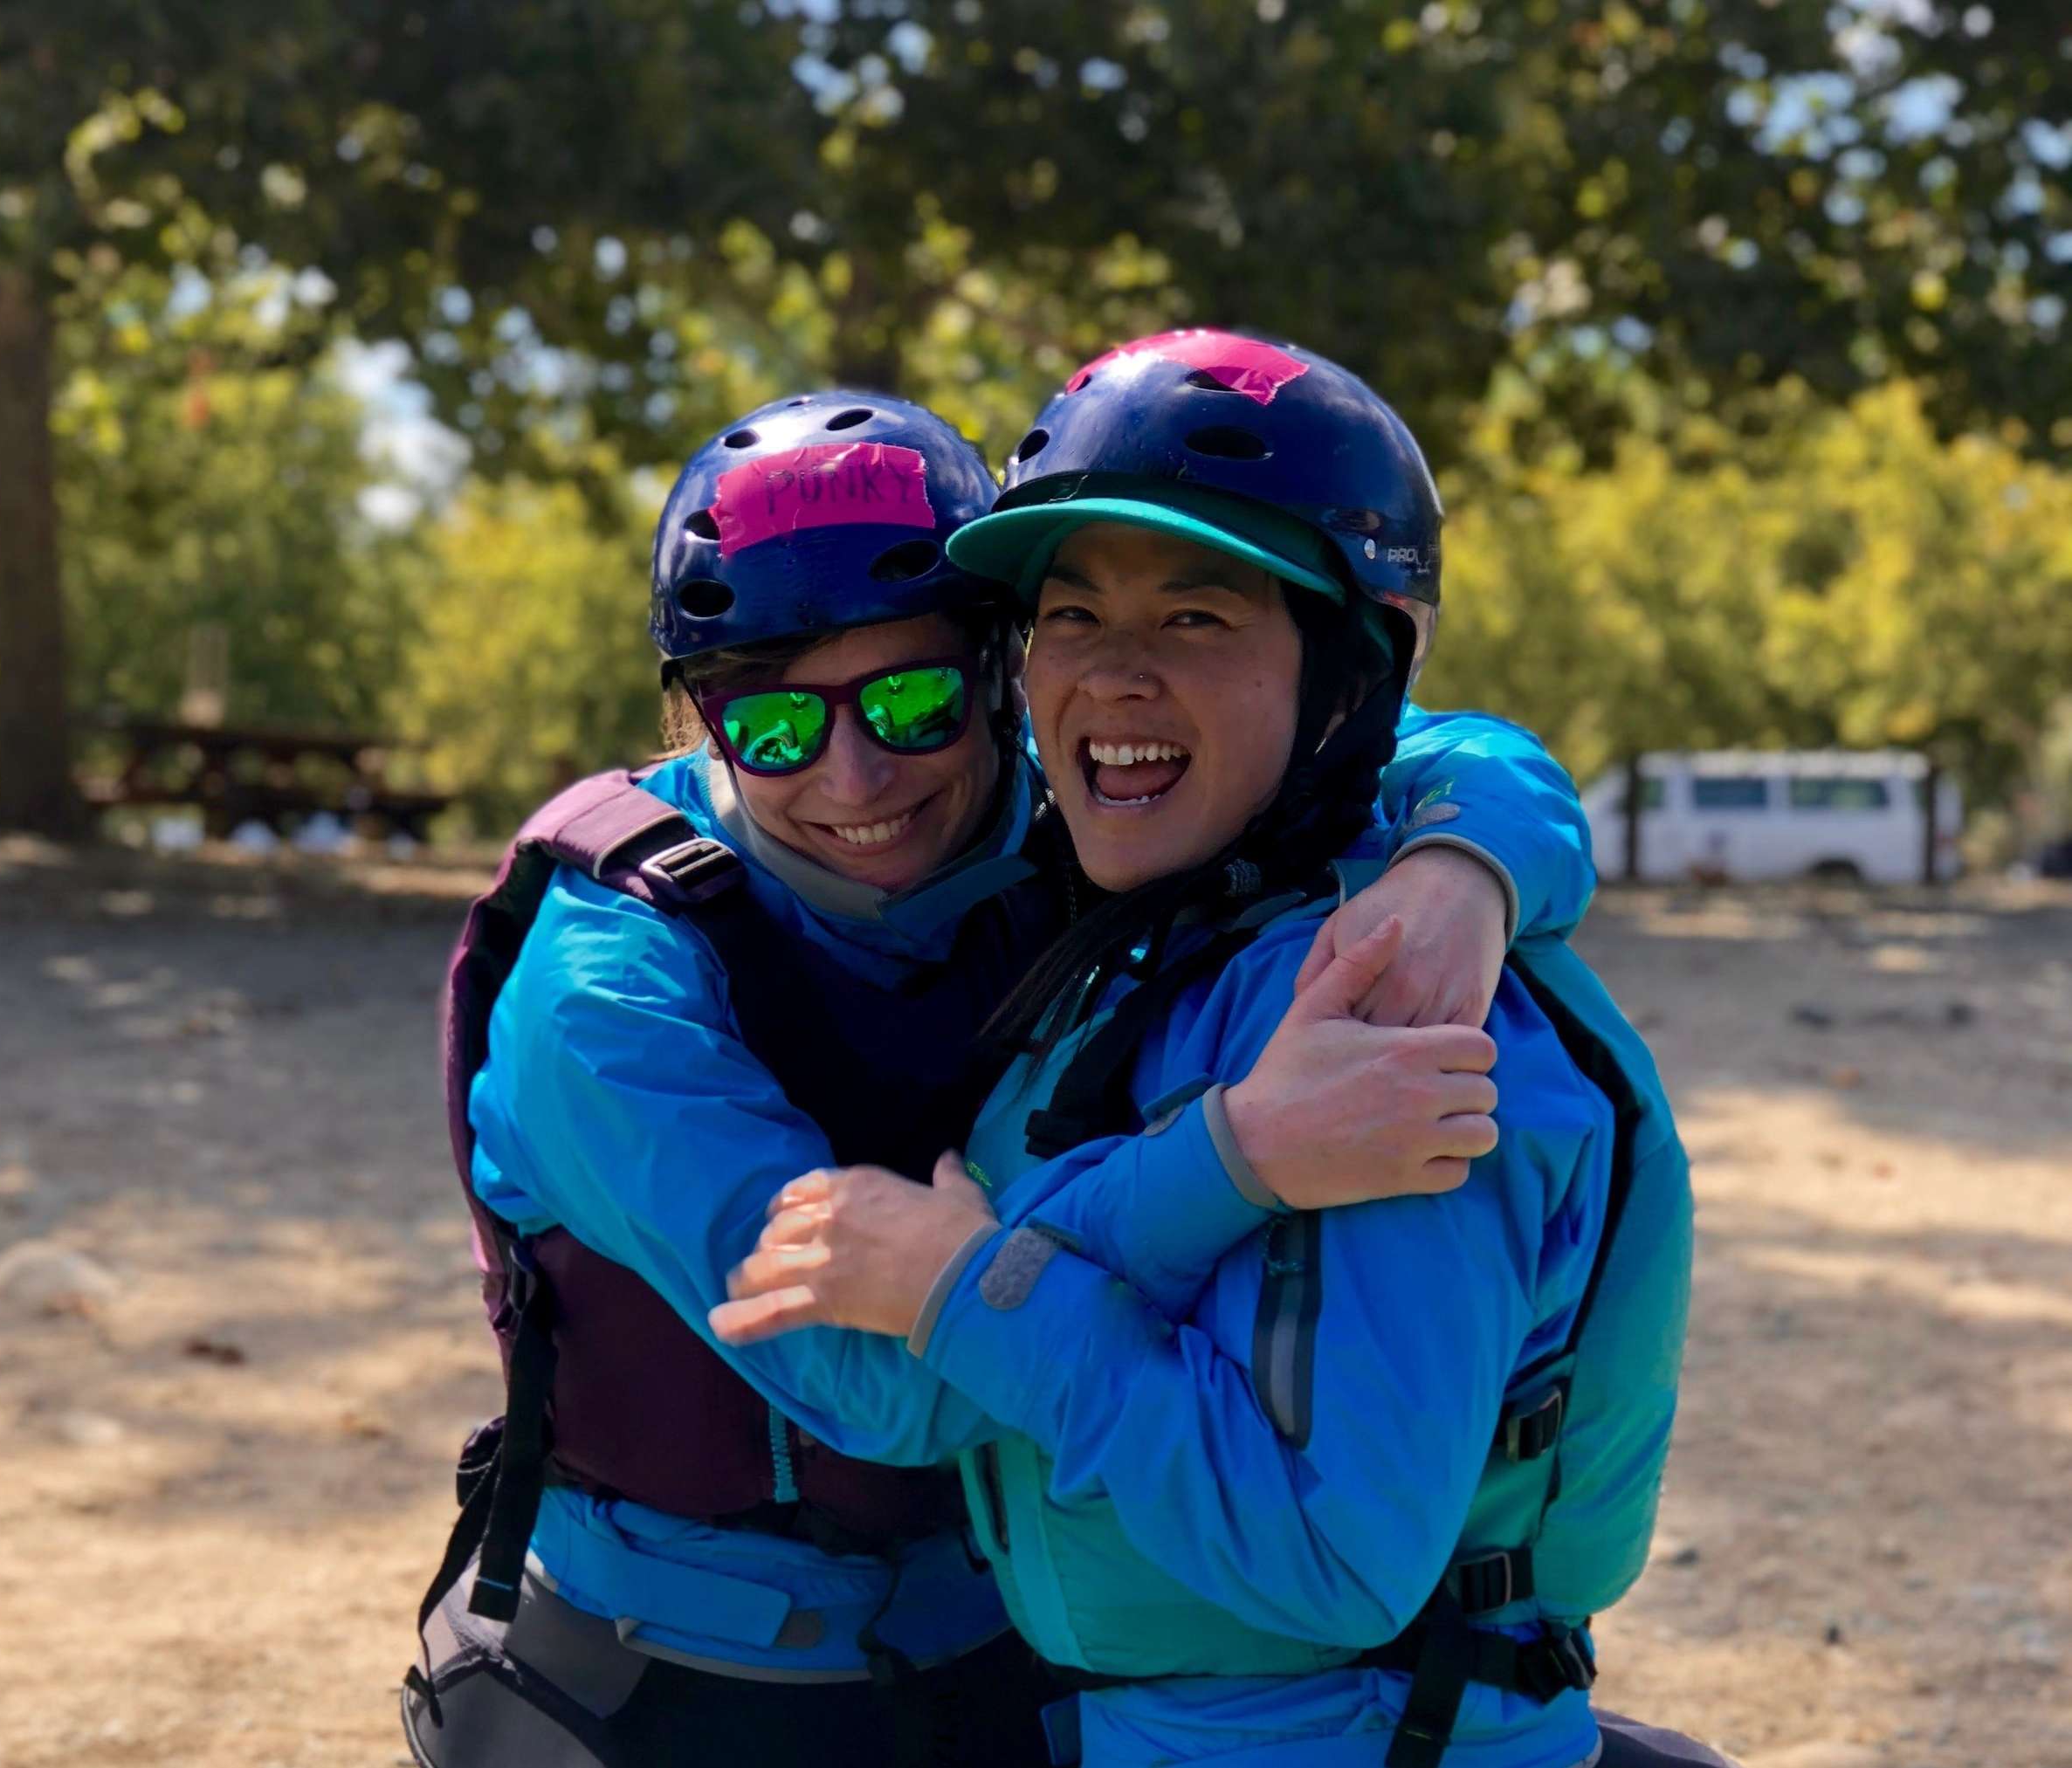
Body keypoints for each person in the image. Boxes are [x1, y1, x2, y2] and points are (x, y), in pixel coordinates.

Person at [404, 382, 1603, 1767]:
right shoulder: (605, 996)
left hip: (1007, 1651)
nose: (855, 778)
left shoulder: (1085, 800)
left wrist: (1469, 868)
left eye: (913, 699)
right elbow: (878, 1377)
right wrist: (1237, 1158)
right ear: (702, 722)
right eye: (775, 729)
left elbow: (1418, 739)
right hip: (678, 1679)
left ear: (1000, 670)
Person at [712, 333, 1702, 1768]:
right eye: (1068, 617)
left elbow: (1328, 1552)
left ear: (1350, 676)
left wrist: (966, 1287)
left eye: (1195, 618)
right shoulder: (1166, 926)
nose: (1111, 680)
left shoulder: (1384, 1005)